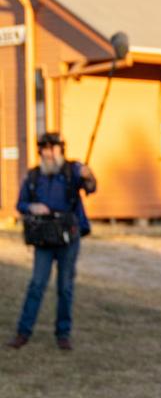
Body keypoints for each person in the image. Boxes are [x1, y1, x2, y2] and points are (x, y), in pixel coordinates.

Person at [7, 132, 96, 351]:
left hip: (68, 238)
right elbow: (21, 204)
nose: (49, 153)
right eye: (45, 149)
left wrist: (89, 175)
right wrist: (32, 207)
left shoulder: (71, 171)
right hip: (44, 238)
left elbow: (91, 187)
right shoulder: (34, 176)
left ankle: (63, 333)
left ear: (61, 150)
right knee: (37, 284)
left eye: (54, 148)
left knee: (65, 287)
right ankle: (23, 332)